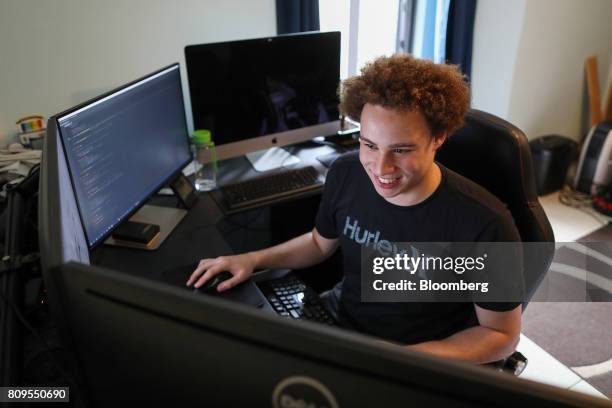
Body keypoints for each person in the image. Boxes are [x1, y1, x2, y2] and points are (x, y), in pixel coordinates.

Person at [186, 54, 522, 364]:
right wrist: (253, 259)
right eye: (369, 144)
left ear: (439, 138)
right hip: (339, 328)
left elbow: (500, 335)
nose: (381, 167)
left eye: (401, 150)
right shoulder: (346, 173)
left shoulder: (485, 224)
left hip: (417, 358)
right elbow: (320, 243)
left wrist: (402, 359)